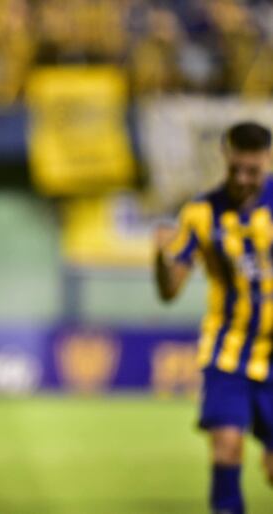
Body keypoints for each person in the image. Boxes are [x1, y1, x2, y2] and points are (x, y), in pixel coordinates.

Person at [155, 121, 273, 514]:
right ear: (225, 156)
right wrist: (160, 258)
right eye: (234, 168)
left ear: (267, 161)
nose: (241, 179)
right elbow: (170, 291)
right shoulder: (202, 212)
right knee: (226, 446)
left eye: (251, 171)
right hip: (228, 352)